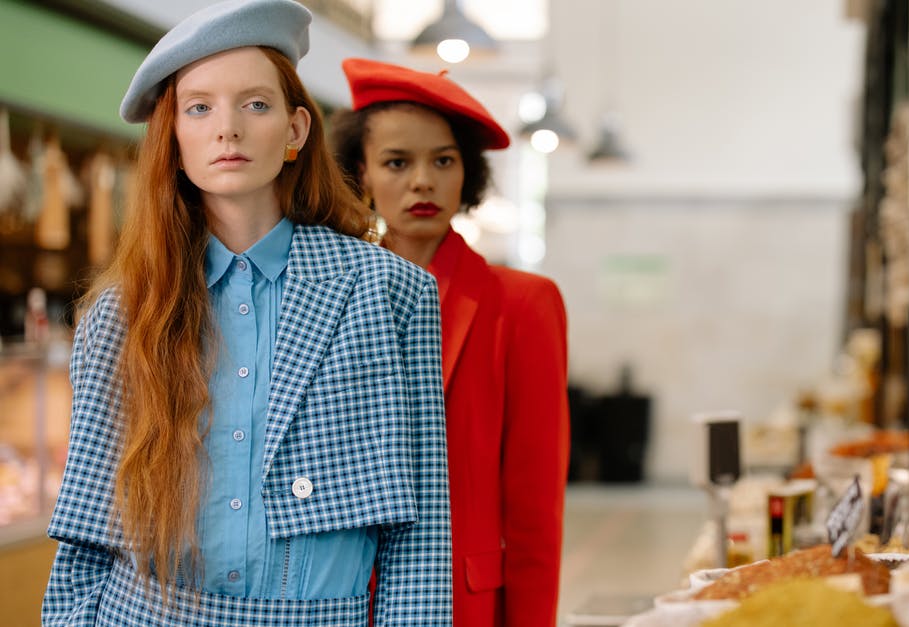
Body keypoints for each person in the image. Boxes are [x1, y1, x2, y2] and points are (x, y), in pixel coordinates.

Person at [41, 2, 451, 625]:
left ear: (295, 131)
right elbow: (87, 531)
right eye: (199, 107)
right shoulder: (122, 312)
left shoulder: (390, 292)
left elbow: (421, 533)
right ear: (173, 140)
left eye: (255, 104)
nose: (226, 128)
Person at [331, 58, 570, 627]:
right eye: (397, 162)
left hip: (462, 603)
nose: (422, 181)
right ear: (361, 173)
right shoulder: (331, 297)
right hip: (339, 598)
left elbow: (535, 506)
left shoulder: (522, 304)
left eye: (443, 160)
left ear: (468, 174)